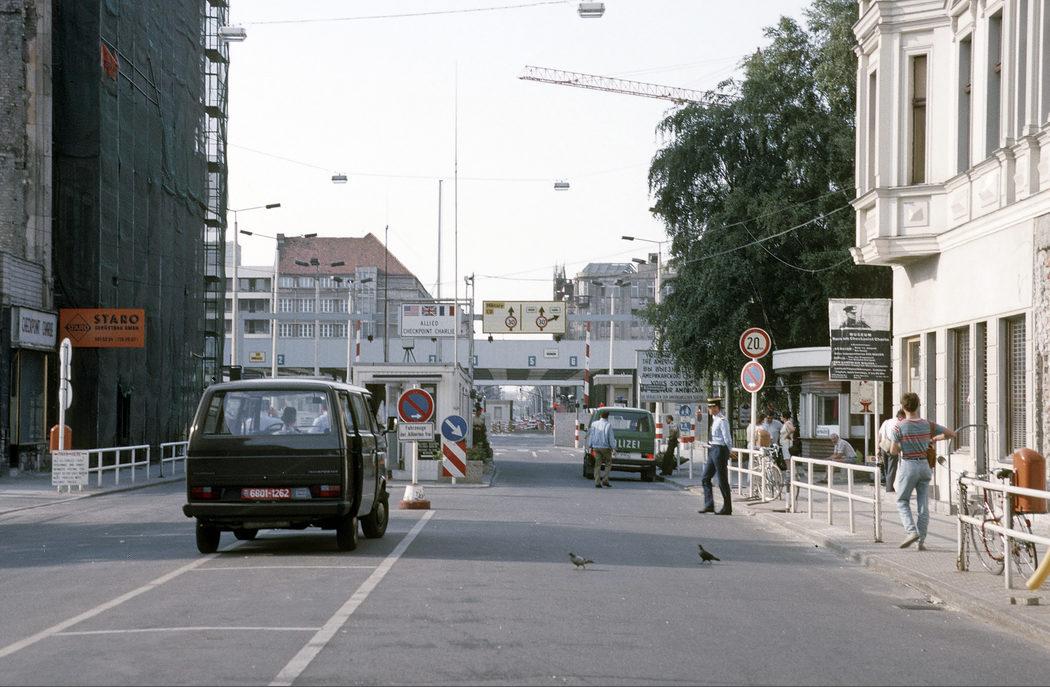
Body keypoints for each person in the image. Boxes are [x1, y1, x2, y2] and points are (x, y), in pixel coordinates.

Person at [890, 393, 955, 550]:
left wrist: (901, 445)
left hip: (908, 465)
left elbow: (893, 451)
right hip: (925, 466)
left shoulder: (899, 427)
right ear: (918, 405)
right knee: (923, 505)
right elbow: (951, 434)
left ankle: (911, 531)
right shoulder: (928, 424)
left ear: (903, 407)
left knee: (902, 501)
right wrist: (934, 439)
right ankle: (921, 542)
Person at [700, 398, 733, 515]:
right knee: (705, 478)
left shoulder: (722, 420)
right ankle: (709, 505)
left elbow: (727, 438)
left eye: (711, 407)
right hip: (713, 448)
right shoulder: (714, 419)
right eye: (709, 407)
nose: (709, 409)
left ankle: (727, 507)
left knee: (722, 480)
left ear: (717, 407)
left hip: (720, 449)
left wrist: (729, 451)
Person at [878, 409, 905, 492]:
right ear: (901, 417)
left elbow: (879, 435)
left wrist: (878, 449)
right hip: (892, 447)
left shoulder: (886, 422)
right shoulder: (899, 424)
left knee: (886, 469)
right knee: (892, 469)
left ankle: (889, 486)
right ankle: (889, 489)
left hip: (883, 446)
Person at [588, 410, 616, 488]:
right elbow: (611, 437)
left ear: (600, 416)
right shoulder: (608, 425)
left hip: (596, 447)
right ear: (607, 416)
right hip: (605, 448)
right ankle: (605, 480)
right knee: (608, 463)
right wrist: (613, 447)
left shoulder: (594, 424)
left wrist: (590, 445)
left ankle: (597, 482)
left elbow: (591, 435)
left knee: (597, 464)